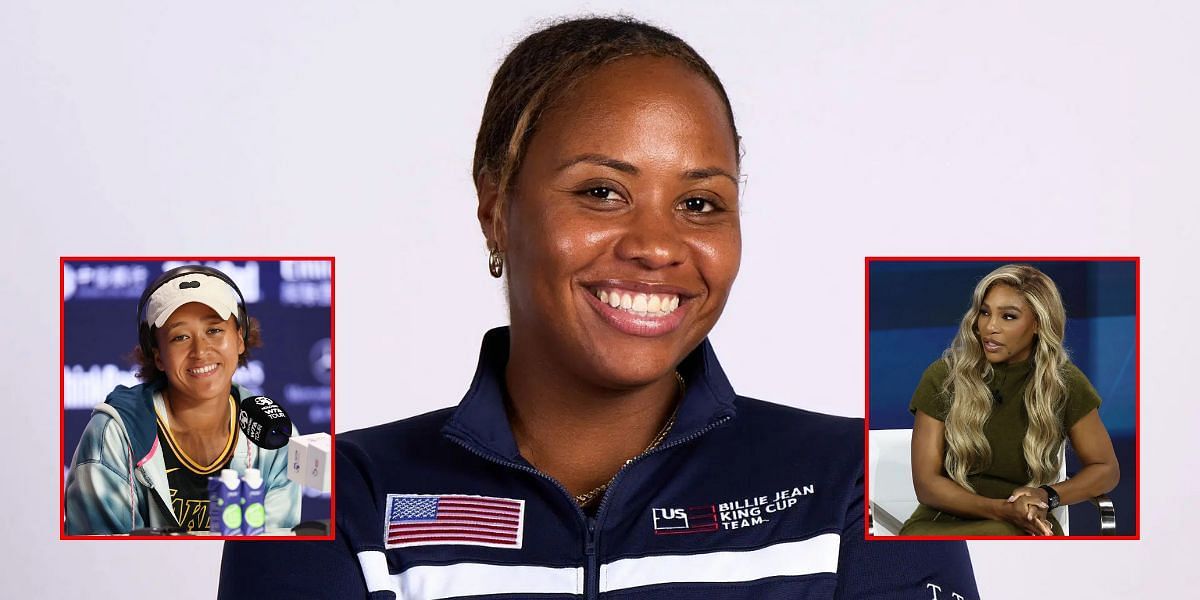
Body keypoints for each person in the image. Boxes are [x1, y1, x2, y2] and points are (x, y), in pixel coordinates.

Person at [220, 16, 978, 598]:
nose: (657, 244)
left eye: (699, 201)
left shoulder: (874, 484)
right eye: (601, 192)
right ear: (495, 208)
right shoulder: (315, 500)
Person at [65, 265, 300, 534]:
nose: (200, 351)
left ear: (240, 338)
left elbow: (277, 554)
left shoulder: (274, 434)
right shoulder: (114, 434)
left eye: (214, 330)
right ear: (158, 356)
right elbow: (100, 557)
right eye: (180, 337)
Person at [900, 264, 1120, 536]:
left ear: (1038, 323)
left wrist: (1046, 495)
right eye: (984, 312)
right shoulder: (944, 376)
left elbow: (1106, 468)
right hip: (943, 521)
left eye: (1008, 317)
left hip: (1026, 521)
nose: (989, 327)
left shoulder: (1064, 382)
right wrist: (1000, 509)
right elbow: (926, 485)